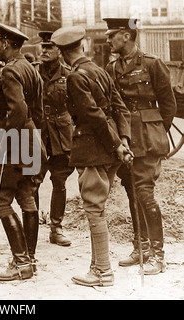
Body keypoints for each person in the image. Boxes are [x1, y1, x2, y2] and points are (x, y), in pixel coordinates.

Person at [51, 26, 132, 287]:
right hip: (110, 149)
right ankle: (96, 266)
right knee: (98, 207)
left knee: (94, 209)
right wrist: (124, 141)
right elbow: (120, 108)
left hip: (94, 149)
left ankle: (103, 272)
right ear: (83, 46)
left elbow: (93, 115)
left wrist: (116, 144)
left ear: (63, 54)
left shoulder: (75, 77)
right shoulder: (100, 70)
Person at [104, 18, 177, 275]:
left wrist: (156, 132)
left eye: (112, 35)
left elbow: (168, 106)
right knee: (132, 192)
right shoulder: (112, 68)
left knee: (144, 194)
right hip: (125, 140)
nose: (107, 39)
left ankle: (158, 256)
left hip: (147, 139)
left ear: (126, 35)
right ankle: (141, 247)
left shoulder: (152, 64)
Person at [0, 23, 45, 281]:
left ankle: (21, 262)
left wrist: (2, 142)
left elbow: (18, 112)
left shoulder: (10, 71)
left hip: (13, 141)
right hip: (31, 138)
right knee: (26, 196)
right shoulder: (31, 70)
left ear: (7, 45)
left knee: (0, 201)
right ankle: (29, 260)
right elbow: (38, 112)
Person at [33, 30, 74, 247]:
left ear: (59, 50)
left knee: (59, 181)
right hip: (38, 133)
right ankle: (31, 227)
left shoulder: (69, 74)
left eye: (50, 47)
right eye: (44, 47)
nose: (45, 51)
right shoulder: (31, 73)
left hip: (61, 135)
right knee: (32, 182)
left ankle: (56, 228)